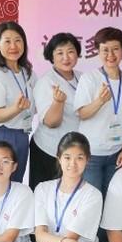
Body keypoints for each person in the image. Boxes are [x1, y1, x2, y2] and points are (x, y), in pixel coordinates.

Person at [75, 27, 122, 242]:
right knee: (92, 204)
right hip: (92, 154)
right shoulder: (90, 79)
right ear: (98, 52)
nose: (111, 55)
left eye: (115, 49)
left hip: (118, 154)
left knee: (114, 207)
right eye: (105, 50)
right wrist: (99, 101)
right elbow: (82, 112)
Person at [0, 21, 37, 184]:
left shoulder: (29, 74)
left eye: (18, 40)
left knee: (15, 187)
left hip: (22, 135)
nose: (14, 46)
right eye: (7, 41)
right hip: (1, 134)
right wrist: (16, 108)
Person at [30, 33, 83, 191]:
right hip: (48, 150)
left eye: (71, 51)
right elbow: (51, 122)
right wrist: (58, 102)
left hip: (73, 151)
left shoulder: (83, 78)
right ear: (51, 56)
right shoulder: (46, 82)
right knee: (45, 197)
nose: (66, 57)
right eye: (60, 53)